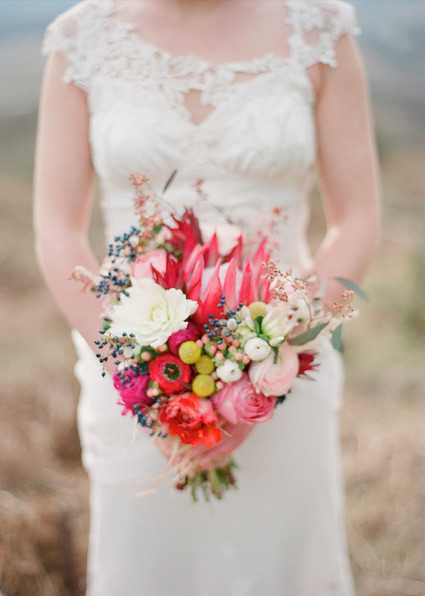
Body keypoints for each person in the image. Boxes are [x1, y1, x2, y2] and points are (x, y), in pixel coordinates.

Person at [34, 0, 381, 594]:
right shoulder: (79, 38)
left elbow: (359, 217)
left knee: (285, 564)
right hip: (133, 383)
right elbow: (56, 228)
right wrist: (141, 379)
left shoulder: (320, 29)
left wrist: (272, 367)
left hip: (286, 369)